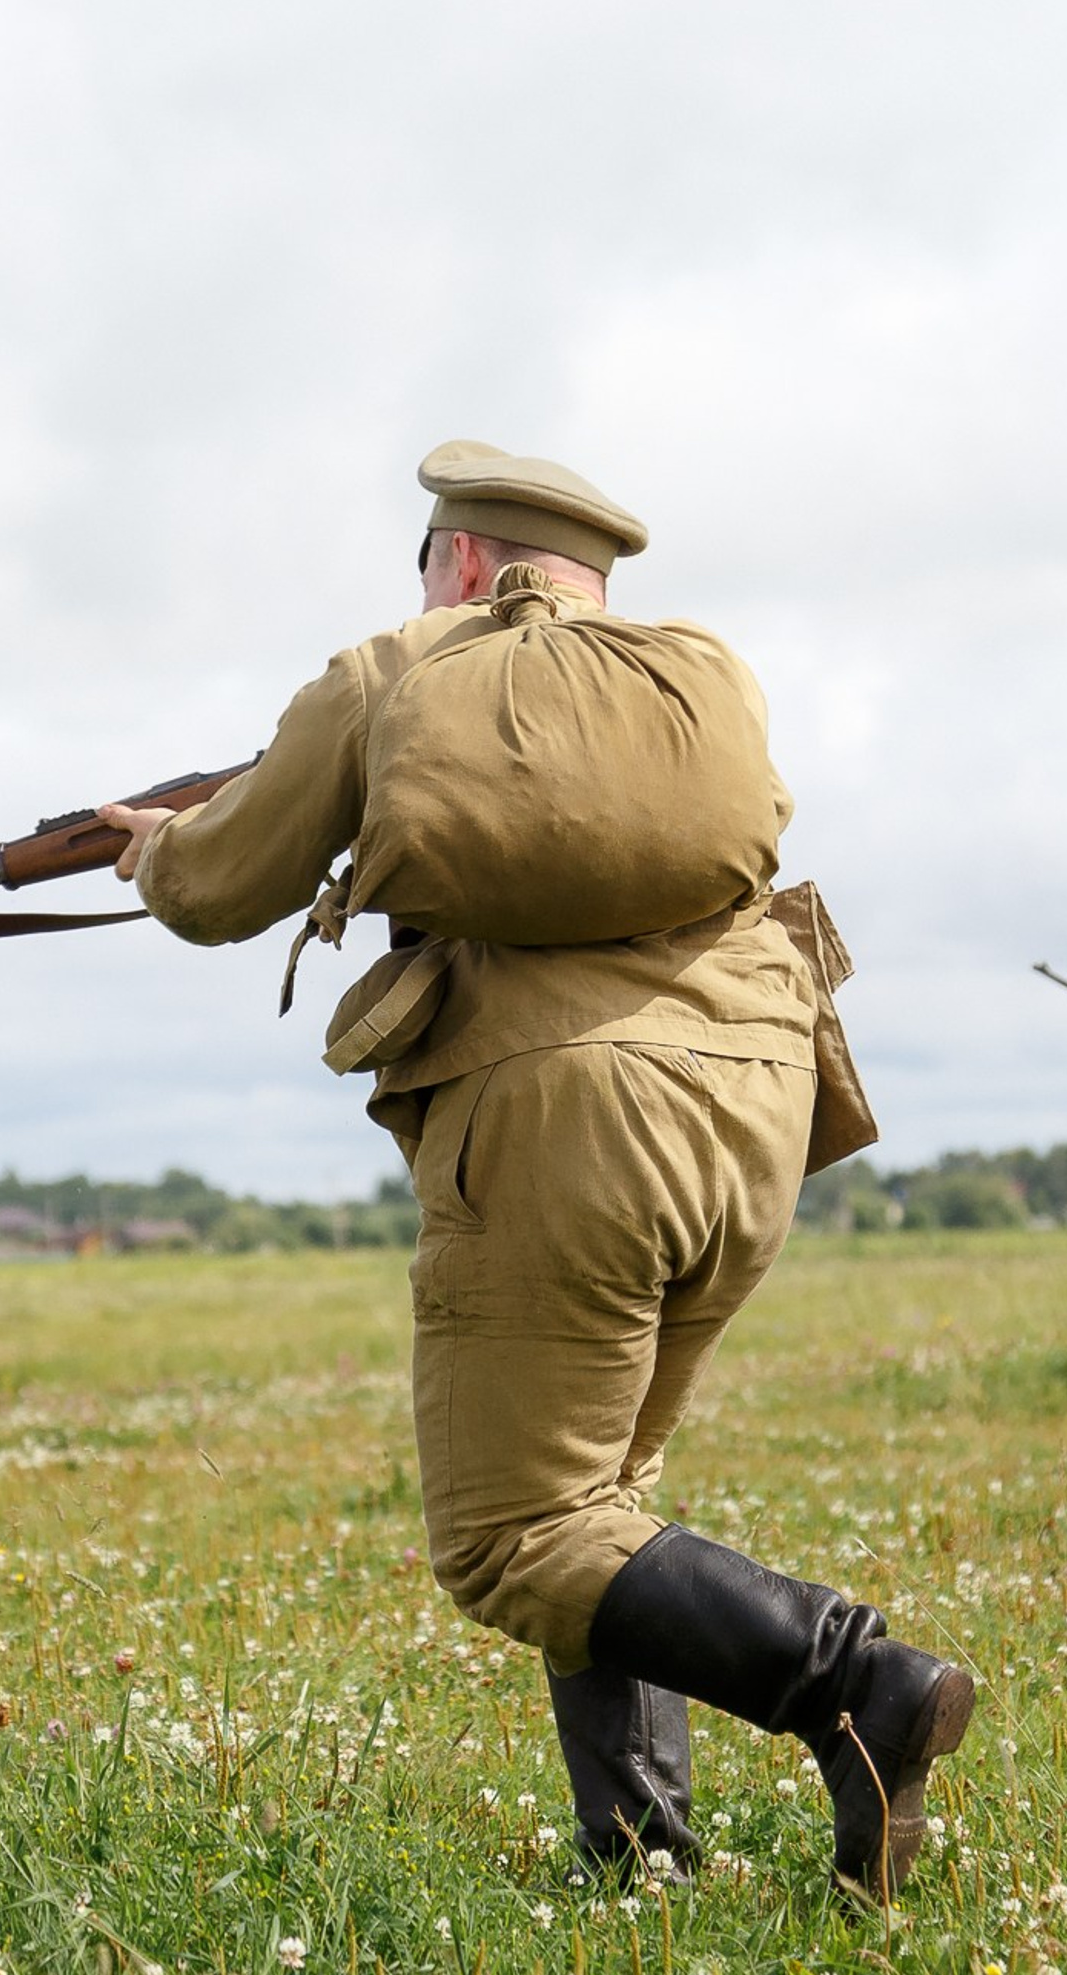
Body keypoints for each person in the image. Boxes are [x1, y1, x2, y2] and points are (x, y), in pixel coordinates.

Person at [97, 440, 972, 1899]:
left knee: (518, 1535)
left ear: (458, 563)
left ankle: (853, 1686)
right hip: (762, 1106)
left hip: (569, 1122)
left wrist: (153, 855)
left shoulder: (399, 670)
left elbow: (218, 886)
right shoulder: (696, 679)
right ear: (591, 581)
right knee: (603, 1499)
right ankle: (640, 1855)